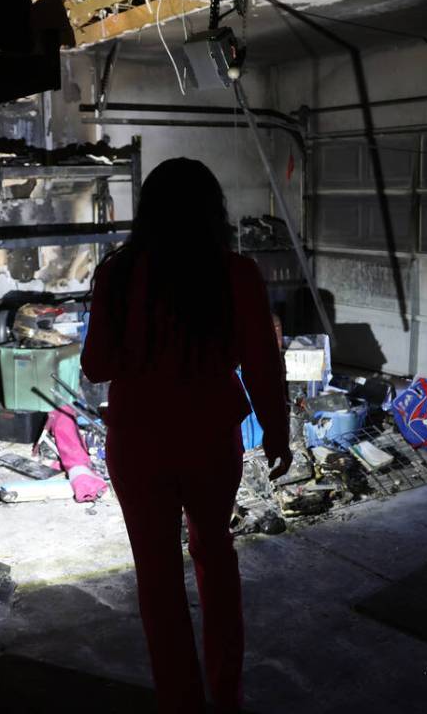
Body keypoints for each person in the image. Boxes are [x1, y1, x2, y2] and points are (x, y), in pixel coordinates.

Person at [81, 157, 291, 713]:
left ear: (148, 211)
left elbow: (96, 365)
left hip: (139, 440)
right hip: (208, 436)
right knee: (215, 556)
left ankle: (182, 701)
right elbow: (264, 365)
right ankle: (227, 696)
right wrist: (277, 433)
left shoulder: (118, 274)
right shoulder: (237, 273)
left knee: (157, 579)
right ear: (211, 210)